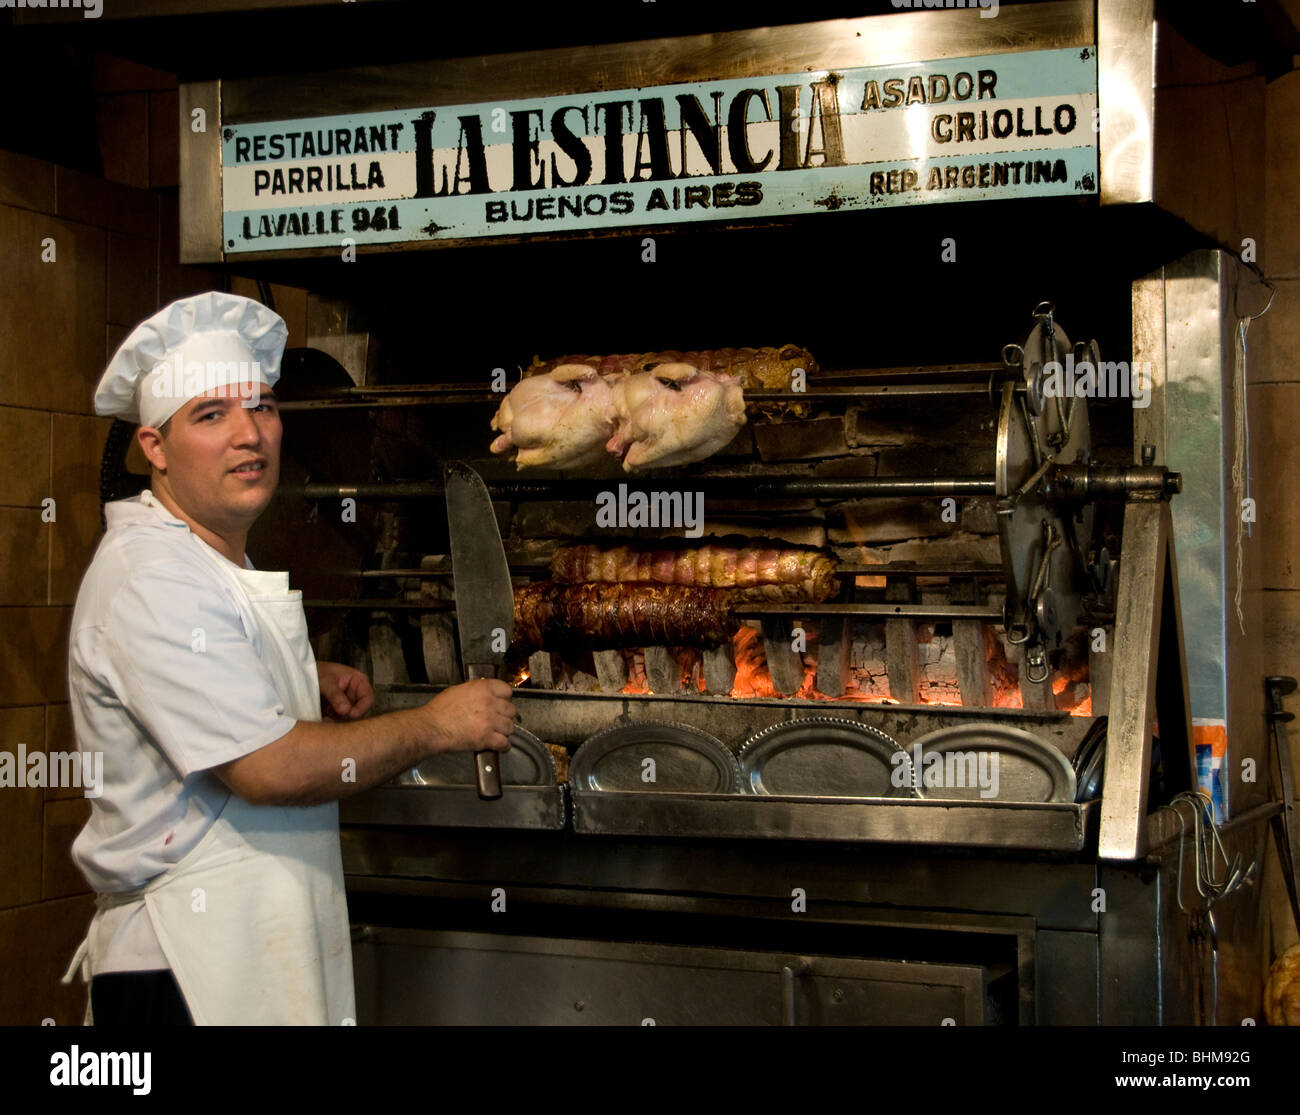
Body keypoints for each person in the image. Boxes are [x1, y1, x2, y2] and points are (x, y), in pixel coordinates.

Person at [61, 291, 515, 1025]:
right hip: (183, 970)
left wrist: (296, 676)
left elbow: (208, 689)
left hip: (244, 951)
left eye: (263, 408)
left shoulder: (206, 559)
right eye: (211, 416)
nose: (251, 435)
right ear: (153, 447)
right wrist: (438, 725)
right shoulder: (153, 577)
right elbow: (267, 768)